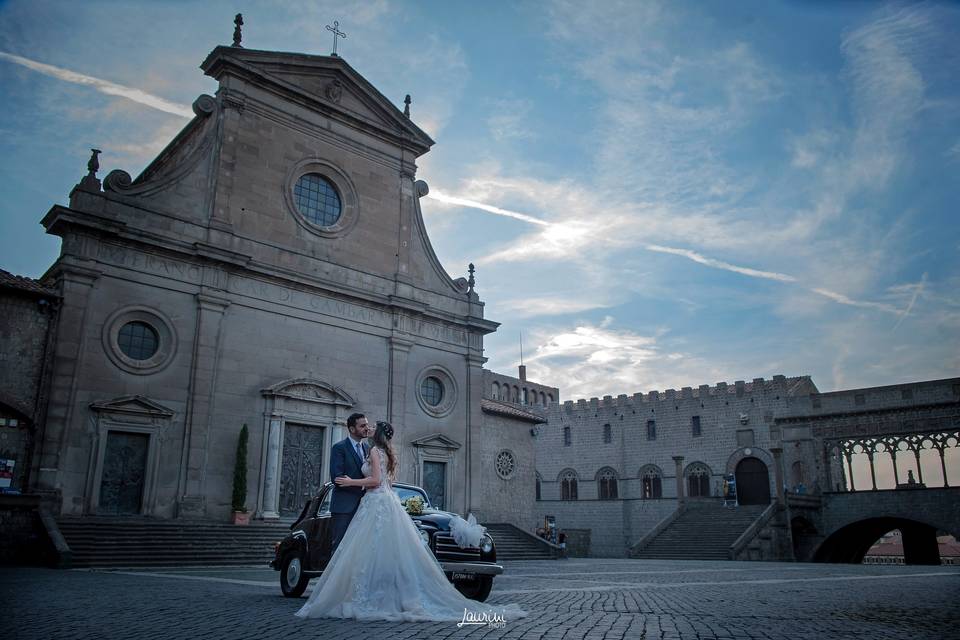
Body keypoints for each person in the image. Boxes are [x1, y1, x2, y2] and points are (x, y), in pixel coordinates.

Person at [296, 421, 527, 622]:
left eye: (373, 427)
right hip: (382, 502)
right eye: (366, 426)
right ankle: (382, 592)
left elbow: (376, 480)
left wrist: (350, 482)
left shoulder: (375, 451)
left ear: (378, 434)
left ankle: (367, 594)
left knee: (370, 551)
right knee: (382, 552)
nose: (369, 428)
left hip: (375, 501)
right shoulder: (385, 452)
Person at [327, 412, 369, 556]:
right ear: (352, 429)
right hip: (344, 507)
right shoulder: (339, 448)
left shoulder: (368, 449)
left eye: (367, 425)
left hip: (365, 506)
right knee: (340, 546)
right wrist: (363, 484)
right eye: (362, 426)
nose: (366, 428)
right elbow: (337, 478)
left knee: (360, 548)